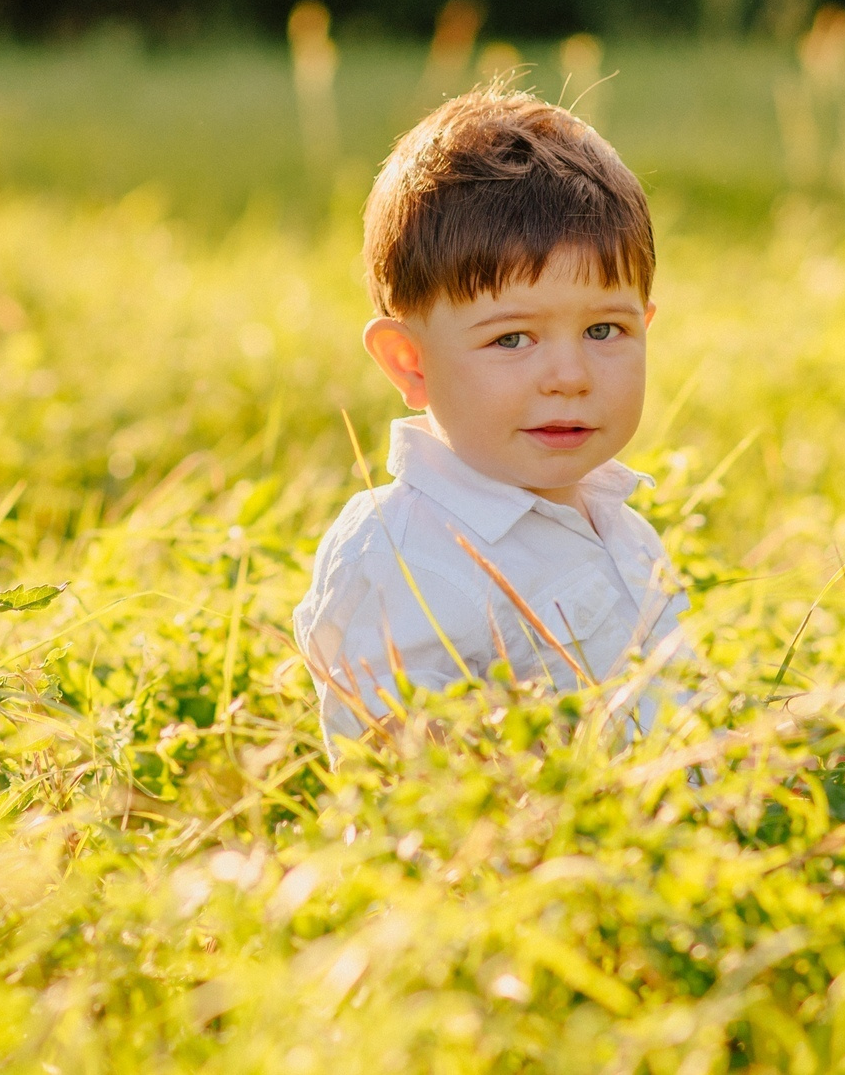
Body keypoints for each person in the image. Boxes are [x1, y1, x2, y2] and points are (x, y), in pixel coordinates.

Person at [292, 82, 691, 752]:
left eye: (603, 330)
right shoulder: (401, 554)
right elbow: (393, 764)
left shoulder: (626, 529)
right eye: (512, 339)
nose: (569, 375)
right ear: (411, 363)